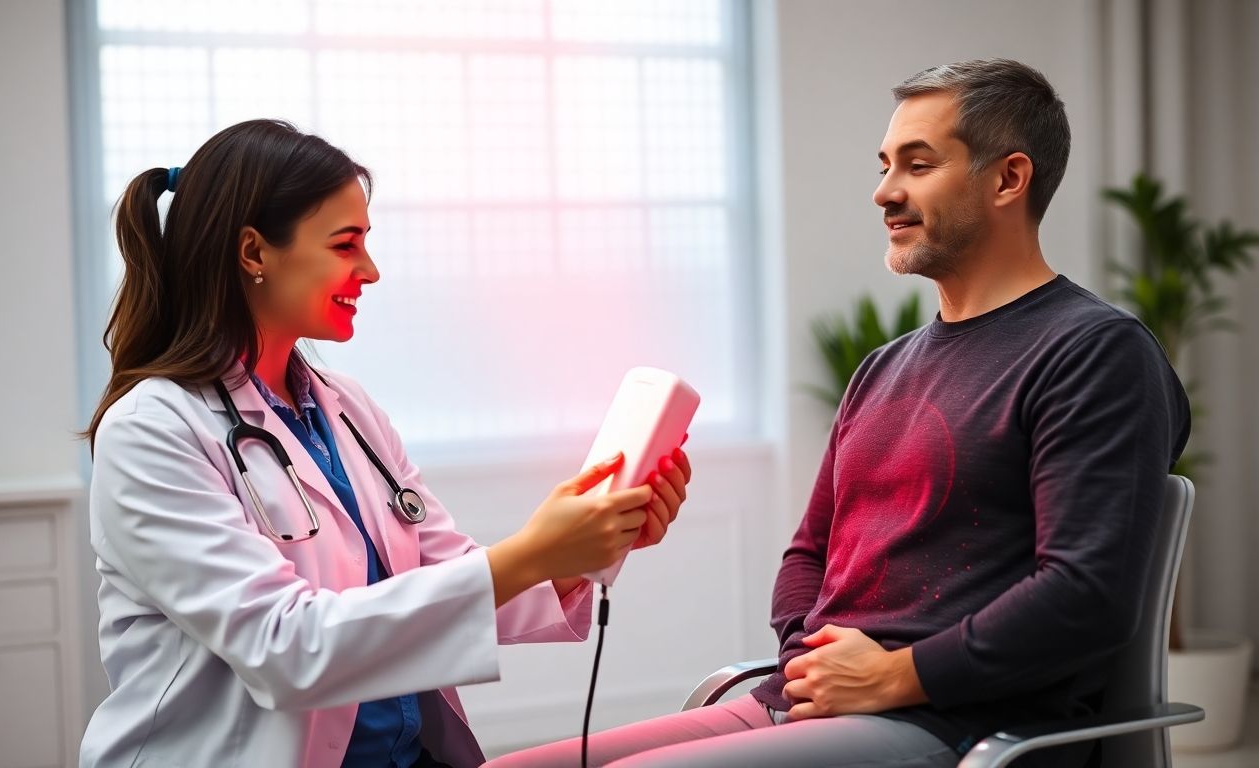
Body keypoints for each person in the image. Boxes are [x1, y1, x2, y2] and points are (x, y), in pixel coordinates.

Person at [488, 58, 1189, 768]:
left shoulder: (1097, 354)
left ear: (1009, 178)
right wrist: (811, 665)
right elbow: (808, 557)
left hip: (959, 726)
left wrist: (892, 676)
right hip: (812, 703)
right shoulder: (882, 368)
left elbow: (1084, 594)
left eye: (918, 165)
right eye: (885, 165)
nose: (886, 192)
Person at [78, 119, 692, 768]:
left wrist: (576, 549)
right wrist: (531, 550)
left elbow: (440, 574)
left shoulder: (348, 409)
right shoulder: (151, 431)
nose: (369, 271)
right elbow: (287, 646)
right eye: (346, 246)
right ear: (254, 253)